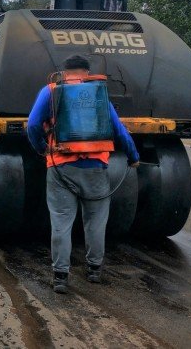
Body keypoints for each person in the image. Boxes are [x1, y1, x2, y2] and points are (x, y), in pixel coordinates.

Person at [26, 55, 139, 294]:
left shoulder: (51, 91)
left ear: (64, 72)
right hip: (96, 169)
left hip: (61, 168)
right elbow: (119, 130)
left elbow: (34, 124)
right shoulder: (98, 93)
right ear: (87, 73)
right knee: (96, 222)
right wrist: (133, 157)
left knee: (61, 223)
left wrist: (42, 149)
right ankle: (94, 270)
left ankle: (60, 277)